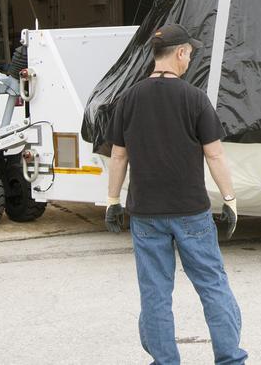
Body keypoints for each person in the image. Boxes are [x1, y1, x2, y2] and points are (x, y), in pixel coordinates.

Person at [105, 23, 247, 365]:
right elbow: (214, 155)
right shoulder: (194, 98)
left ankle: (164, 361)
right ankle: (230, 359)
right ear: (181, 53)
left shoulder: (128, 98)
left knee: (155, 293)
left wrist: (113, 202)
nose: (190, 59)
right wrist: (230, 200)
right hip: (191, 213)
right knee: (213, 286)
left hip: (146, 215)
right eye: (190, 53)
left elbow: (118, 156)